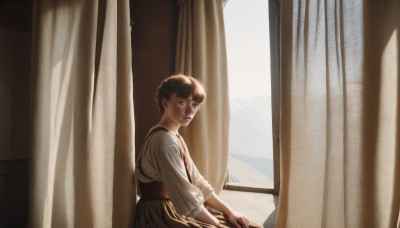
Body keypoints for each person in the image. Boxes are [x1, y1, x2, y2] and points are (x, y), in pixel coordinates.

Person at [134, 74, 261, 228]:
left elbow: (198, 182)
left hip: (176, 206)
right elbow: (186, 200)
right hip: (159, 213)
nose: (190, 110)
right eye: (182, 102)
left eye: (195, 104)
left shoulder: (173, 136)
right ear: (165, 102)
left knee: (251, 226)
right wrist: (217, 224)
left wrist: (230, 211)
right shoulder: (164, 141)